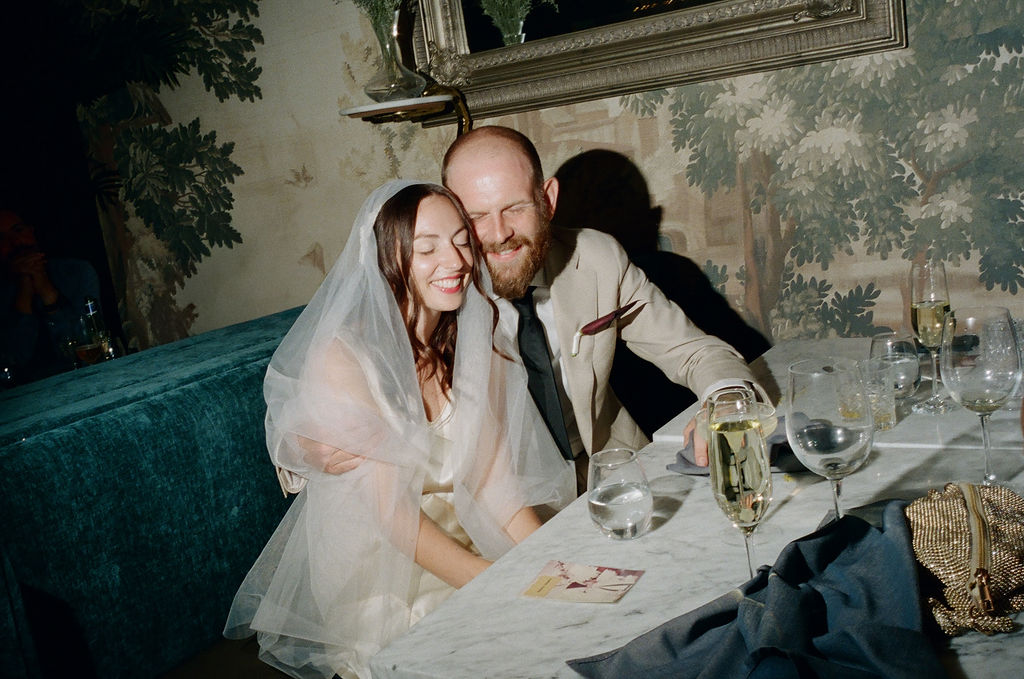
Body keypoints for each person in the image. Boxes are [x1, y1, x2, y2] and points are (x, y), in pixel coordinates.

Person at [224, 181, 575, 679]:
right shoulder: (345, 359)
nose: (453, 261)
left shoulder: (475, 341)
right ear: (387, 260)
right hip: (386, 575)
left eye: (459, 241)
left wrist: (550, 565)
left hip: (466, 540)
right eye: (426, 249)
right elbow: (392, 518)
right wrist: (497, 583)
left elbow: (498, 489)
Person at [441, 126, 762, 479]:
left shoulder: (597, 258)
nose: (500, 233)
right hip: (499, 495)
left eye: (515, 208)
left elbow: (693, 352)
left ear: (547, 200)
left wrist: (728, 401)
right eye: (476, 217)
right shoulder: (433, 291)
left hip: (608, 472)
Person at [551, 149, 771, 437]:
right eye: (594, 209)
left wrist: (727, 395)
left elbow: (710, 352)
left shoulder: (664, 272)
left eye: (614, 205)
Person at [0, 209, 101, 383]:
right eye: (2, 238)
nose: (16, 242)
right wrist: (24, 293)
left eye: (18, 231)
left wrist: (48, 294)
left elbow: (89, 348)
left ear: (31, 231)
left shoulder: (76, 272)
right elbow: (12, 364)